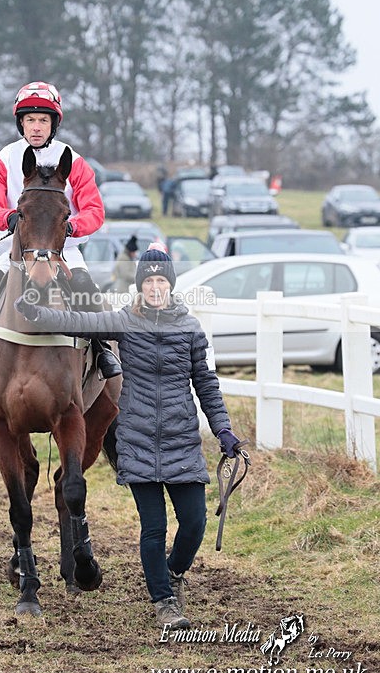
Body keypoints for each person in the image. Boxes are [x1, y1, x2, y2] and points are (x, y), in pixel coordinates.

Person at [14, 245, 241, 630]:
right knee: (152, 528)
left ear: (170, 284)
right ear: (140, 285)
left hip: (181, 438)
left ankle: (171, 572)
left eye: (161, 280)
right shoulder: (124, 321)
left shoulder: (190, 329)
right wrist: (37, 314)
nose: (155, 287)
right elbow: (79, 323)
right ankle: (165, 603)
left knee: (194, 523)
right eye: (148, 280)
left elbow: (206, 384)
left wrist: (223, 430)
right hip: (137, 441)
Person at [0, 80, 122, 384]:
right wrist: (9, 219)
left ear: (53, 124)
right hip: (17, 249)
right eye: (30, 120)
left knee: (86, 286)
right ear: (21, 123)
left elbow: (94, 211)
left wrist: (72, 226)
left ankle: (101, 349)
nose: (36, 127)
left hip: (64, 248)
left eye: (43, 120)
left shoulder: (74, 162)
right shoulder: (2, 160)